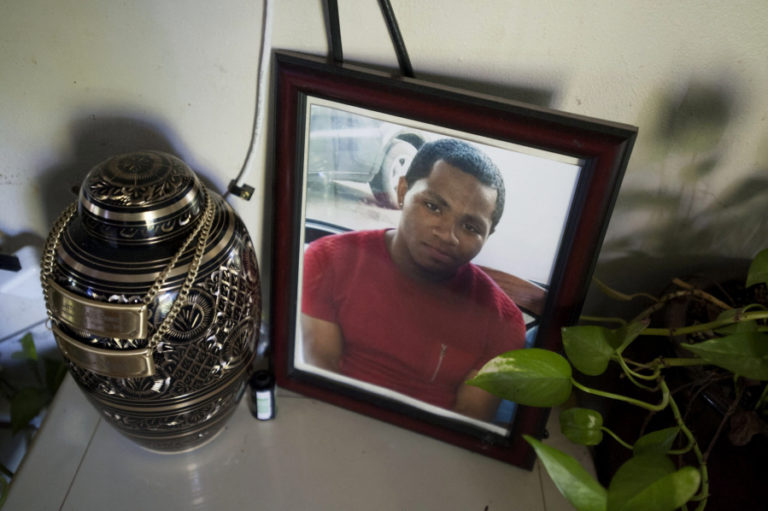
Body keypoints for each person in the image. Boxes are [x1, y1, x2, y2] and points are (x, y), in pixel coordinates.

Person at [301, 138, 526, 421]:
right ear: (402, 190)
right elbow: (322, 372)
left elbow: (468, 420)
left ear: (488, 235)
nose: (447, 235)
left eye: (470, 227)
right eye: (433, 207)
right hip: (333, 422)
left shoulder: (504, 322)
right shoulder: (326, 260)